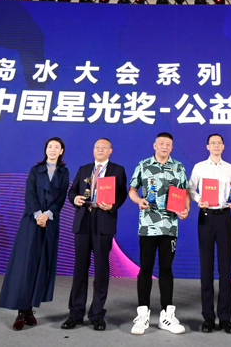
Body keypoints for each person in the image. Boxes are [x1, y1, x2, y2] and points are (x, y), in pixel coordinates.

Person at [0, 137, 71, 330]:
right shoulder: (35, 170)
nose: (52, 150)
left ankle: (30, 309)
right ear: (45, 150)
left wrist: (47, 215)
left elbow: (61, 198)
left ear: (61, 151)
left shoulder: (64, 173)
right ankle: (22, 311)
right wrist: (39, 215)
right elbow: (29, 195)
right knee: (26, 265)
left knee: (42, 265)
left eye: (56, 147)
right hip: (31, 221)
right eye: (50, 147)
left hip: (50, 223)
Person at [62, 138, 128, 331]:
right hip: (83, 222)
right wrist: (75, 198)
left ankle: (97, 314)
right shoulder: (84, 169)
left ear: (110, 151)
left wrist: (112, 205)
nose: (100, 150)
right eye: (97, 147)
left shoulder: (118, 170)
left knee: (101, 270)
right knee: (79, 270)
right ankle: (75, 313)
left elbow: (122, 194)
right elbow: (72, 191)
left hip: (103, 222)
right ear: (93, 150)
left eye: (104, 147)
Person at [128, 132, 189, 335]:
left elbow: (184, 193)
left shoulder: (178, 167)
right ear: (155, 145)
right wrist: (138, 200)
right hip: (147, 225)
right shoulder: (143, 165)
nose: (164, 146)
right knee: (145, 268)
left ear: (172, 147)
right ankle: (142, 314)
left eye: (168, 144)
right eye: (161, 143)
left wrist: (185, 209)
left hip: (169, 226)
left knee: (166, 269)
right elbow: (132, 190)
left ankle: (166, 315)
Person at [188, 133, 231, 334]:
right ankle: (208, 317)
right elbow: (191, 190)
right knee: (206, 267)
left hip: (225, 216)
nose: (216, 145)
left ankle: (225, 317)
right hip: (206, 217)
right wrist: (198, 200)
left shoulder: (230, 168)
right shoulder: (199, 167)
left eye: (219, 143)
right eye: (213, 143)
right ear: (207, 146)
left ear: (223, 146)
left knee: (225, 268)